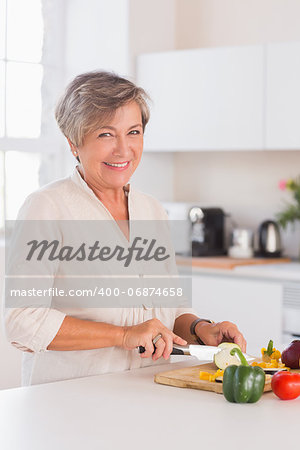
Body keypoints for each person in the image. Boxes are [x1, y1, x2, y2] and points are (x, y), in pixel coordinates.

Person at [4, 71, 246, 385]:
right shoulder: (47, 208)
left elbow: (170, 308)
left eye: (133, 132)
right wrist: (123, 335)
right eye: (106, 134)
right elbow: (23, 321)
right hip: (67, 403)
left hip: (147, 393)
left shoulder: (152, 211)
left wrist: (202, 328)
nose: (123, 149)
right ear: (74, 142)